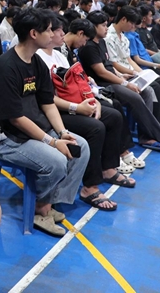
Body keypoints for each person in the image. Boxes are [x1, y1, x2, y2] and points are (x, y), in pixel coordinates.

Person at [0, 7, 90, 235]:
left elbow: (47, 103)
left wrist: (62, 133)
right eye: (49, 30)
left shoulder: (36, 62)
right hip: (8, 138)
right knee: (57, 161)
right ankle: (40, 209)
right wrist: (52, 143)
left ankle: (50, 201)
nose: (53, 34)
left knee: (80, 147)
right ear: (34, 33)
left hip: (34, 129)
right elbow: (16, 119)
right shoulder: (6, 67)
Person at [37, 14, 133, 210]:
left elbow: (77, 84)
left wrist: (92, 101)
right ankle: (90, 186)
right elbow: (46, 99)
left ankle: (108, 168)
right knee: (96, 128)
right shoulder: (39, 58)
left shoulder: (59, 55)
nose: (62, 34)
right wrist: (77, 108)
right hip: (55, 112)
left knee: (113, 116)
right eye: (57, 31)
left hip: (72, 103)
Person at [77, 11, 160, 152]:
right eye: (103, 25)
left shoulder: (101, 42)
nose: (106, 28)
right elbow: (102, 72)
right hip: (104, 84)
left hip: (115, 78)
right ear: (93, 27)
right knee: (135, 97)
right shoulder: (89, 47)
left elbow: (109, 66)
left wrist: (122, 75)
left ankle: (146, 136)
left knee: (147, 91)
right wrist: (124, 83)